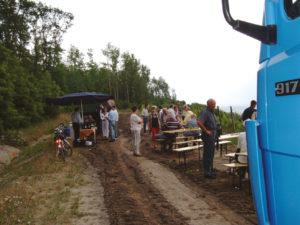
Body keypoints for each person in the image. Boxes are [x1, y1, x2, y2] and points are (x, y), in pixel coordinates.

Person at [197, 98, 218, 179]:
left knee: (211, 153)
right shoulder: (205, 112)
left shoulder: (211, 112)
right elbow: (199, 122)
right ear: (209, 104)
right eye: (213, 105)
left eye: (215, 105)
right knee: (208, 154)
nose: (214, 106)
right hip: (208, 136)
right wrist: (206, 131)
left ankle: (210, 169)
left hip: (212, 136)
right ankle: (207, 172)